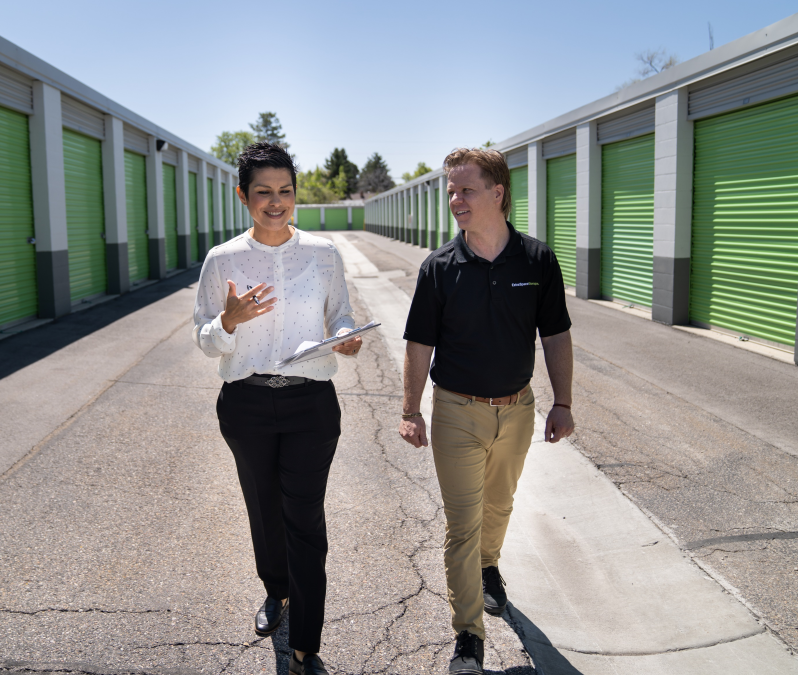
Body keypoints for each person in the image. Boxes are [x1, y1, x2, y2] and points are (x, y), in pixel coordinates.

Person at [399, 147, 575, 674]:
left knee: (500, 505)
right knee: (463, 523)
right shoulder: (440, 268)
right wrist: (412, 409)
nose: (455, 199)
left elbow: (557, 336)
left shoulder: (538, 260)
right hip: (456, 409)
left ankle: (490, 568)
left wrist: (563, 402)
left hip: (517, 410)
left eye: (466, 189)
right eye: (451, 190)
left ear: (498, 193)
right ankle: (468, 637)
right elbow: (417, 346)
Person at [192, 142, 361, 675]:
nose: (275, 201)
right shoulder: (223, 260)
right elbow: (203, 338)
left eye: (285, 191)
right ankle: (275, 589)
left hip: (310, 402)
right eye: (263, 191)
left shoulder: (323, 254)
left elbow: (341, 315)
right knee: (264, 508)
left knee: (305, 520)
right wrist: (229, 322)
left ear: (295, 195)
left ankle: (305, 644)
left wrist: (345, 337)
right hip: (245, 403)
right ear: (243, 195)